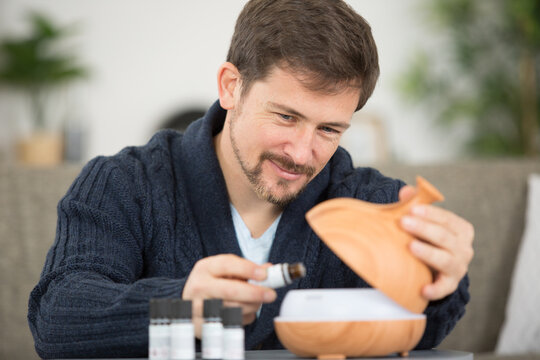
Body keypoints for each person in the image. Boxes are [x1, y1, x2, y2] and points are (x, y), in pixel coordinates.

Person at [28, 0, 474, 358]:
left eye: (329, 129)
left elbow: (419, 333)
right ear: (230, 87)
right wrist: (181, 303)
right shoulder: (122, 183)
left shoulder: (373, 201)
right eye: (285, 116)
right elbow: (58, 319)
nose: (302, 153)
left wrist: (440, 281)